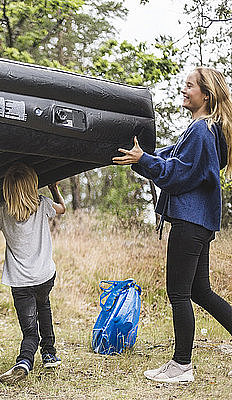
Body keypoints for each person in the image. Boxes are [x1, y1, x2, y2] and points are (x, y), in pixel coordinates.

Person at [113, 66, 232, 384]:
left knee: (178, 292)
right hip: (200, 222)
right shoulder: (203, 131)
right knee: (200, 291)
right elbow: (167, 160)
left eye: (189, 86)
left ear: (205, 95)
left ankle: (181, 366)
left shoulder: (201, 131)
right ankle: (182, 363)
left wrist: (145, 161)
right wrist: (140, 157)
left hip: (190, 221)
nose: (184, 90)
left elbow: (178, 174)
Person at [0, 163, 66, 384]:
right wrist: (54, 188)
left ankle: (24, 362)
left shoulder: (2, 210)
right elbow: (62, 208)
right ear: (33, 185)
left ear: (6, 189)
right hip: (45, 276)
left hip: (20, 281)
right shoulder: (43, 204)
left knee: (29, 330)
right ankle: (49, 354)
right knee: (44, 306)